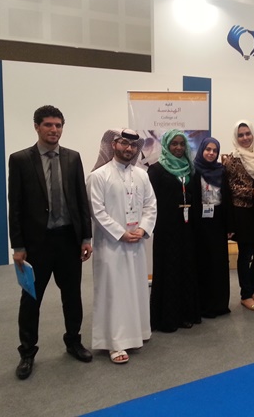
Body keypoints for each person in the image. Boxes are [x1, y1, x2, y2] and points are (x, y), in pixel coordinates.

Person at [8, 105, 93, 380]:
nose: (54, 130)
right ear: (37, 127)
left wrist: (86, 236)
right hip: (37, 244)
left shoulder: (72, 158)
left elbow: (81, 200)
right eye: (48, 125)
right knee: (31, 299)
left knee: (72, 296)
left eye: (58, 125)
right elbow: (15, 206)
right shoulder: (20, 160)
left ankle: (73, 341)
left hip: (68, 239)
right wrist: (18, 246)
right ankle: (27, 352)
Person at [87, 129, 157, 364]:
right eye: (124, 143)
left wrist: (143, 229)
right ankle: (115, 343)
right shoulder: (98, 176)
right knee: (114, 292)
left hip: (136, 243)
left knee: (136, 288)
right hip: (111, 245)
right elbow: (97, 211)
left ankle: (137, 333)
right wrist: (120, 233)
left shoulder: (142, 175)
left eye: (133, 145)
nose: (129, 148)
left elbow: (151, 205)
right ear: (113, 144)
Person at [148, 129, 201, 332]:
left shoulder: (190, 169)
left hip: (187, 229)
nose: (178, 148)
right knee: (168, 270)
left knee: (186, 269)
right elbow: (150, 202)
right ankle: (167, 318)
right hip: (166, 229)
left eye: (181, 144)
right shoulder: (156, 170)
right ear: (167, 146)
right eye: (174, 144)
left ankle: (186, 314)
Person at [223, 120, 254, 311]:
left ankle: (252, 289)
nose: (245, 138)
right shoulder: (232, 159)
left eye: (248, 133)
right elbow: (230, 187)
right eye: (240, 135)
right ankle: (245, 295)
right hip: (242, 212)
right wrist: (251, 192)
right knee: (246, 255)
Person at [192, 137, 232, 318]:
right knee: (203, 263)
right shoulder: (194, 170)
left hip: (218, 221)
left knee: (219, 263)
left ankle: (219, 304)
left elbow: (227, 198)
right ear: (202, 150)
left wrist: (230, 225)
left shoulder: (221, 171)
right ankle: (204, 305)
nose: (211, 153)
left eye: (214, 150)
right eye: (208, 149)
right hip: (200, 222)